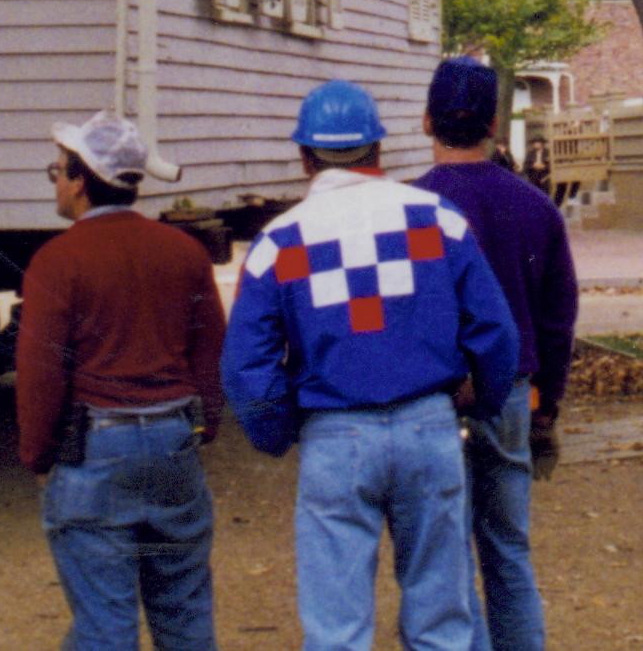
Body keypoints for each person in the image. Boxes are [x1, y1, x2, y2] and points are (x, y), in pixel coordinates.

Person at [223, 80, 521, 651]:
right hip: (429, 428)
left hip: (335, 438)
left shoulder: (278, 241)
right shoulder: (438, 217)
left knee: (337, 632)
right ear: (379, 149)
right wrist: (477, 401)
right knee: (442, 623)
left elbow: (248, 367)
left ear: (305, 155)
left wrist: (279, 431)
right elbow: (496, 333)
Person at [17, 111, 228, 651]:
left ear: (81, 179)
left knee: (105, 625)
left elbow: (41, 374)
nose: (56, 182)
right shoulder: (184, 252)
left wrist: (38, 455)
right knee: (184, 614)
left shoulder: (57, 260)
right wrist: (206, 425)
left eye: (58, 171)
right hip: (173, 440)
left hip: (96, 449)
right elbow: (211, 352)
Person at [416, 58, 580, 651]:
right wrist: (547, 408)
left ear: (426, 120)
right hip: (512, 389)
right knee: (509, 547)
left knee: (445, 551)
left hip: (433, 397)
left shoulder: (408, 211)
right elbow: (557, 319)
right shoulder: (536, 208)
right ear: (493, 124)